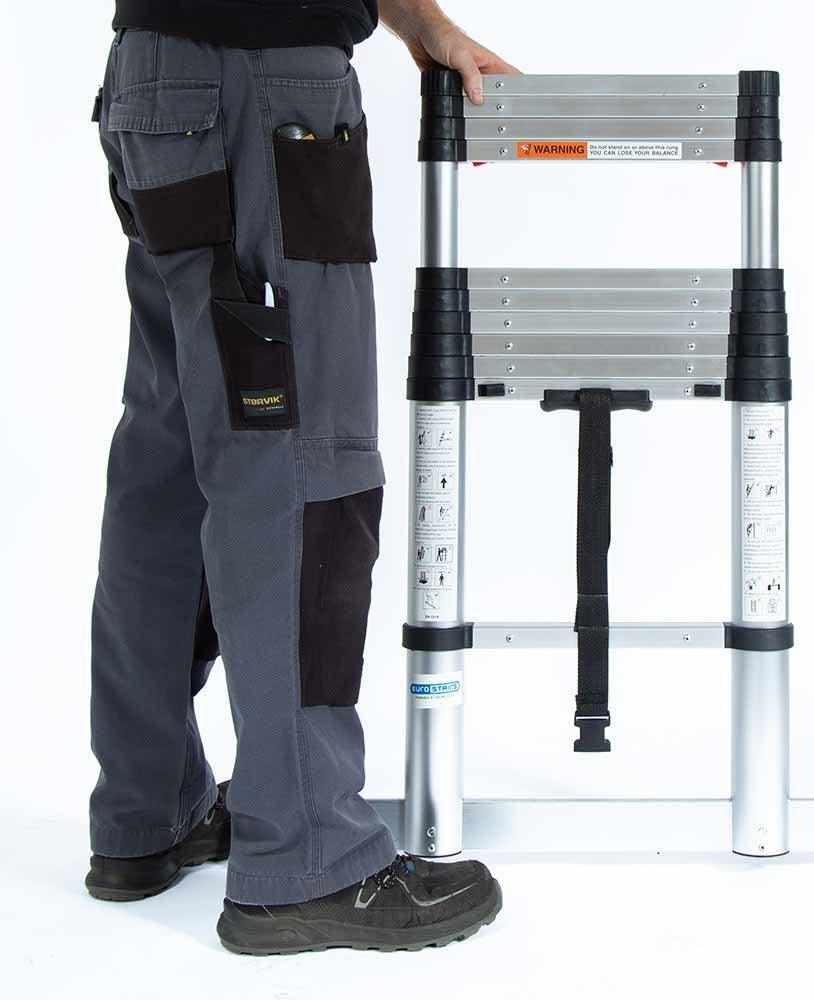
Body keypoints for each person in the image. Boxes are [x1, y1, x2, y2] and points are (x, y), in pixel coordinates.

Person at [86, 0, 516, 955]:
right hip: (265, 90)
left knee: (171, 460)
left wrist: (422, 25)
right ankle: (309, 854)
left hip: (154, 77)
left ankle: (145, 810)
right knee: (303, 468)